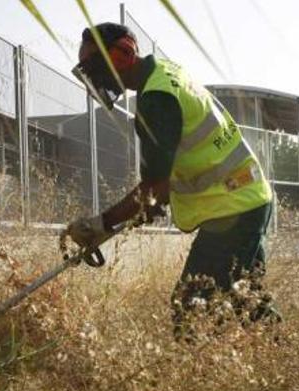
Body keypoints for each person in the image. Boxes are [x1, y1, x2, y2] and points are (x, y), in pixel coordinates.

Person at [64, 23, 279, 337]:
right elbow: (167, 179)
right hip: (249, 198)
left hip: (232, 210)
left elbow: (155, 188)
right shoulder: (166, 74)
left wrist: (101, 224)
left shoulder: (156, 100)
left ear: (124, 53)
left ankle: (205, 377)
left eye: (94, 66)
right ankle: (283, 361)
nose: (93, 78)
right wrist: (148, 204)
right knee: (243, 297)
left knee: (189, 308)